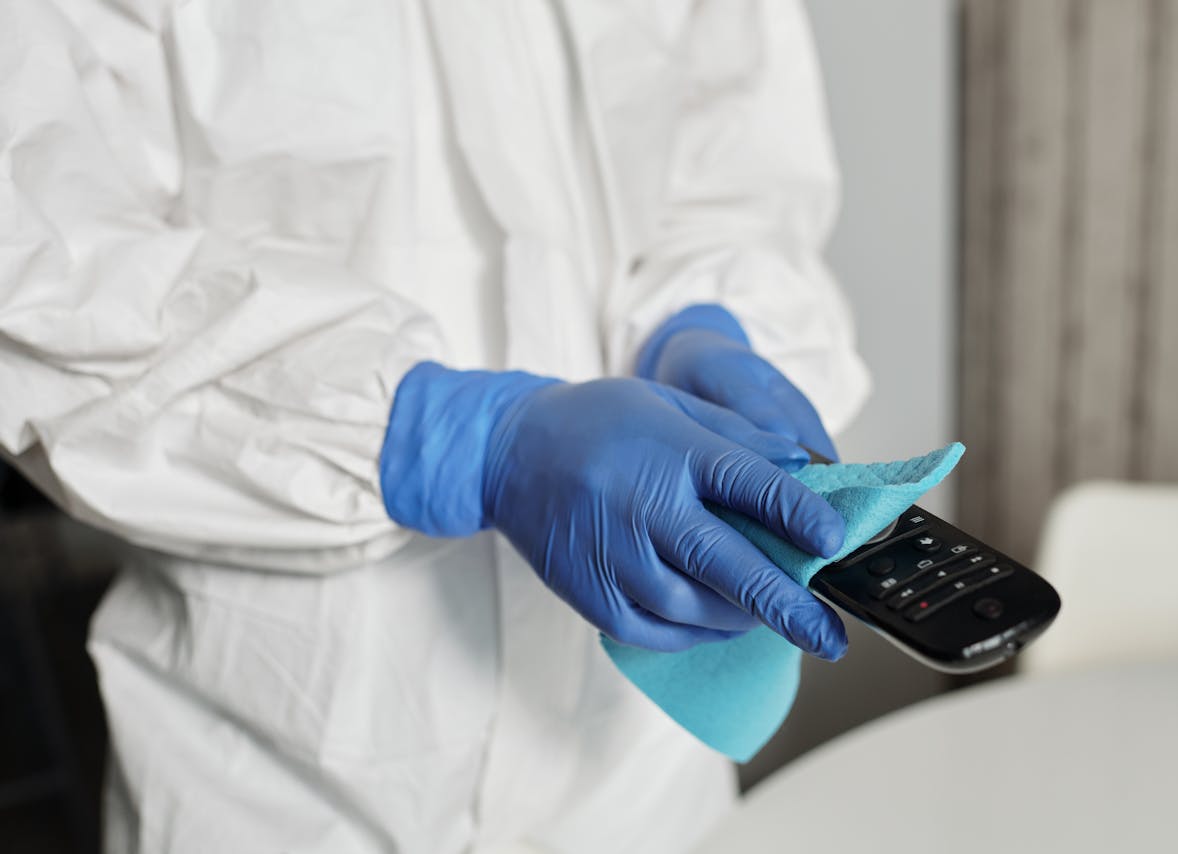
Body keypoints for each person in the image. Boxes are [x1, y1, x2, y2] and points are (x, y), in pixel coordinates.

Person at [0, 1, 871, 851]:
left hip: (639, 767)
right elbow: (34, 259)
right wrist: (452, 437)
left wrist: (706, 322)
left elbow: (735, 149)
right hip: (285, 769)